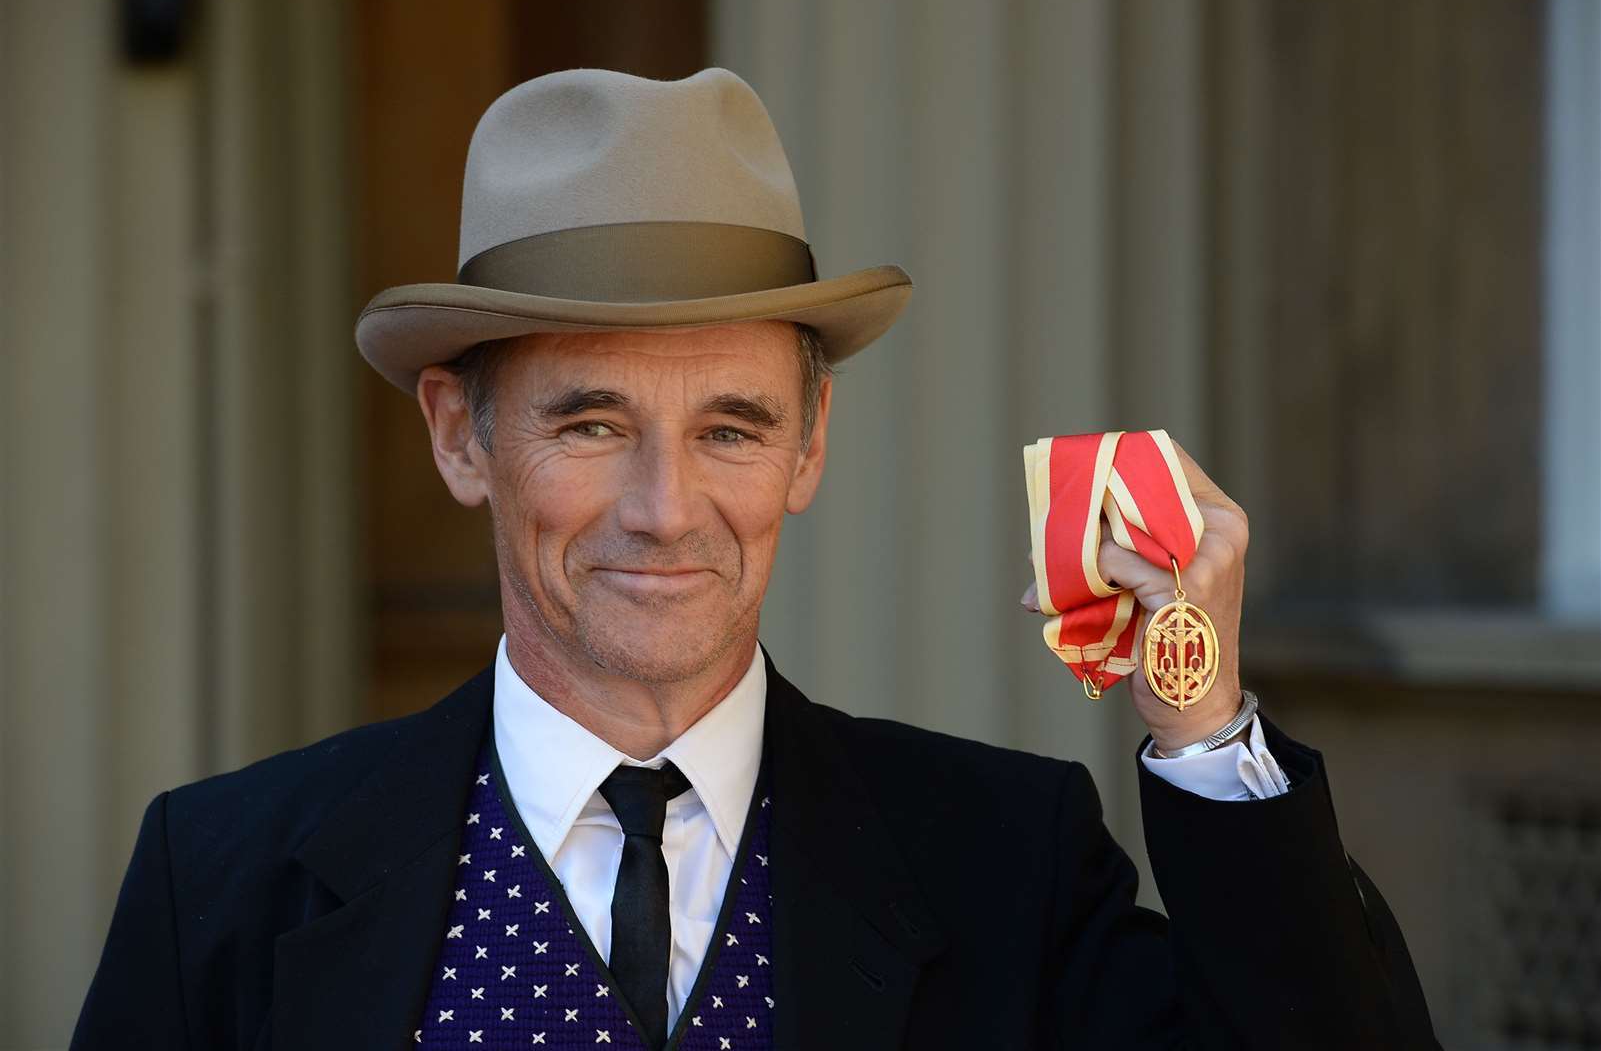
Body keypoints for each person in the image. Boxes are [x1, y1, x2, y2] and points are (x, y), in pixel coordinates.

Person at [71, 67, 1440, 1050]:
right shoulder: (230, 875)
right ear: (459, 437)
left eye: (730, 428)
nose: (666, 509)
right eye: (592, 423)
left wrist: (1199, 723)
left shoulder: (1001, 860)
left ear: (809, 445)